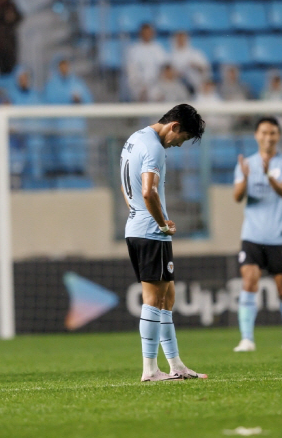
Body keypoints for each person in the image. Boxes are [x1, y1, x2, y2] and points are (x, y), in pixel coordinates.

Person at [119, 104, 207, 382]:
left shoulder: (134, 139)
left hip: (138, 227)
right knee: (154, 299)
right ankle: (150, 369)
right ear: (174, 127)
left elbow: (127, 187)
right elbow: (149, 191)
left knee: (167, 296)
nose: (178, 145)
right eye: (181, 139)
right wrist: (159, 222)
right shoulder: (154, 148)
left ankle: (176, 365)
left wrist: (138, 212)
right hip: (149, 232)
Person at [232, 117, 282, 352]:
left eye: (272, 133)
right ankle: (247, 338)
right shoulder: (246, 164)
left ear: (278, 136)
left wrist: (269, 175)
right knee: (249, 281)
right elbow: (237, 197)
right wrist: (247, 177)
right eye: (264, 132)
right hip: (252, 235)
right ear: (256, 135)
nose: (268, 137)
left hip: (279, 236)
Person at [125, 23, 168, 102]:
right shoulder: (134, 50)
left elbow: (164, 67)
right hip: (139, 85)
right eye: (145, 32)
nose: (147, 35)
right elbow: (131, 71)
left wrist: (157, 82)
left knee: (161, 94)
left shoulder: (158, 49)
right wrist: (141, 85)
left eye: (149, 32)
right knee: (142, 94)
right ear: (140, 33)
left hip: (156, 84)